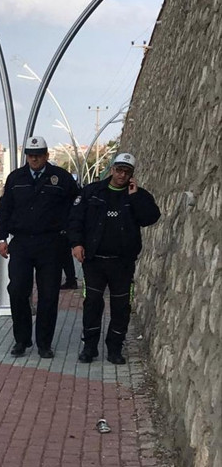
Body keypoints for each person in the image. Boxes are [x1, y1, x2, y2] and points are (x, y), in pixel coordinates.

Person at [68, 153, 160, 364]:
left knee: (121, 307)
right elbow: (75, 219)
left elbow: (150, 218)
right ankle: (89, 347)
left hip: (122, 263)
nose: (122, 175)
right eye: (119, 170)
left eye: (126, 172)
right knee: (92, 304)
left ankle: (115, 348)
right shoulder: (92, 192)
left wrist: (135, 197)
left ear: (132, 175)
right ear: (112, 169)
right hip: (94, 261)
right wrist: (76, 244)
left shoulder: (138, 195)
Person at [0, 136, 79, 359]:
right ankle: (21, 340)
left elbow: (77, 205)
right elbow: (4, 209)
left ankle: (44, 343)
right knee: (17, 291)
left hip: (51, 244)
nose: (34, 159)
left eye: (38, 155)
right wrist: (1, 238)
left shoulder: (60, 178)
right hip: (21, 243)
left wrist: (73, 237)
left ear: (46, 155)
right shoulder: (16, 178)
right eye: (31, 155)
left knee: (49, 295)